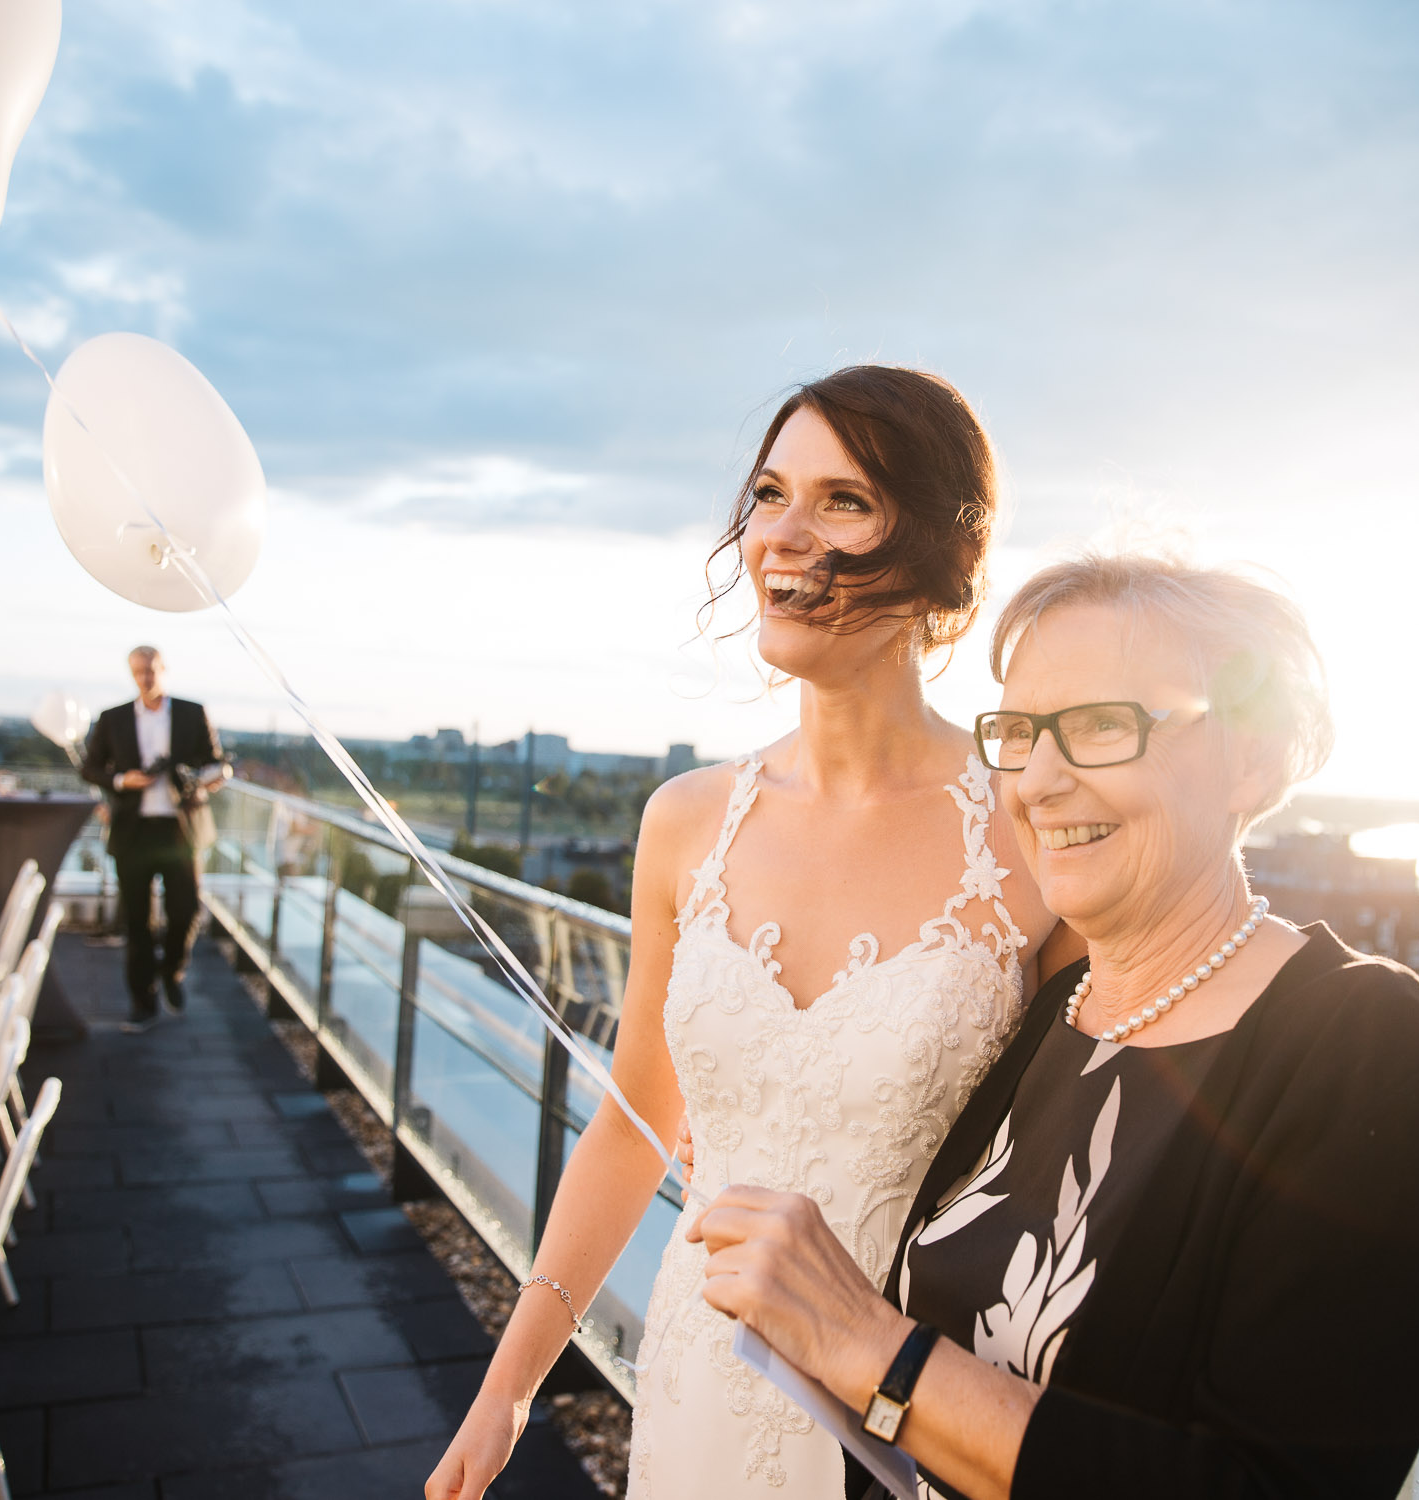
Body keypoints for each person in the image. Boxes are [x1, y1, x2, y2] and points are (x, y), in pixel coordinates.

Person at [684, 555, 1419, 1500]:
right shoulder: (1053, 1020)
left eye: (1103, 726)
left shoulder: (1361, 1043)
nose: (1037, 782)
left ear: (1253, 759)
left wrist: (875, 1350)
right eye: (1018, 734)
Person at [427, 368, 1075, 1500]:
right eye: (771, 493)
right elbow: (634, 1127)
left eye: (843, 501)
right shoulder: (685, 823)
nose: (784, 532)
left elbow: (1073, 1182)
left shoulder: (1030, 834)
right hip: (694, 1382)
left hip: (912, 1421)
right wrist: (509, 1386)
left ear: (938, 553)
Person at [78, 646, 228, 1032]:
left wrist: (213, 776)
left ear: (163, 669)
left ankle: (172, 971)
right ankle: (143, 1003)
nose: (145, 677)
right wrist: (120, 780)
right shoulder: (112, 718)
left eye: (150, 669)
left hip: (181, 830)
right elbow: (90, 769)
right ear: (131, 674)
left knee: (186, 912)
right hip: (134, 830)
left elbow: (213, 760)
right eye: (138, 671)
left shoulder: (193, 712)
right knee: (137, 922)